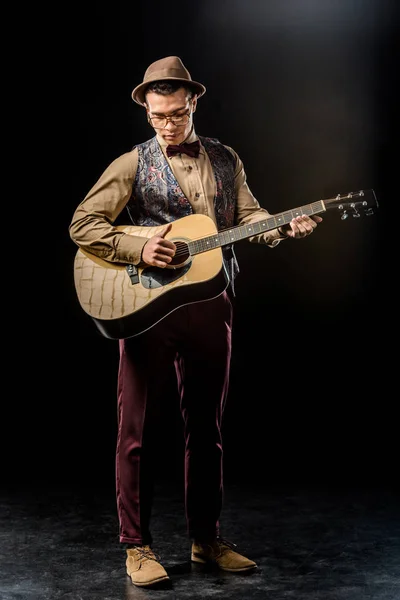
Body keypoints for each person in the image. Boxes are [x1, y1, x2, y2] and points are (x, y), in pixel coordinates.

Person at [69, 55, 322, 588]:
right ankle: (136, 546)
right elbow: (83, 224)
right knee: (135, 431)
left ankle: (205, 539)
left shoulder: (226, 159)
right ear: (146, 112)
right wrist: (139, 248)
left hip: (211, 303)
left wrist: (282, 227)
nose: (168, 125)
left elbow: (248, 217)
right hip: (147, 309)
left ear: (193, 104)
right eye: (159, 117)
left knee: (207, 429)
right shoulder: (132, 163)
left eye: (177, 115)